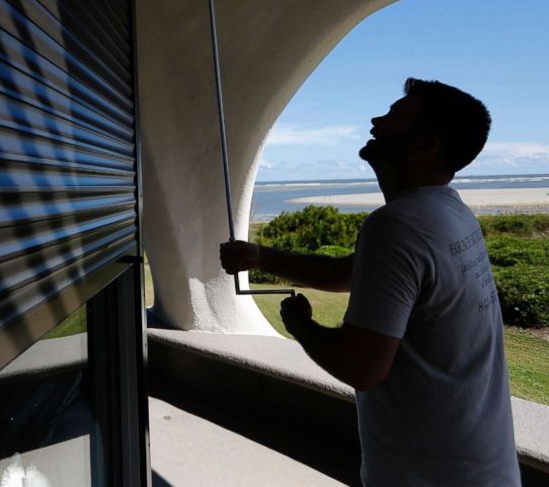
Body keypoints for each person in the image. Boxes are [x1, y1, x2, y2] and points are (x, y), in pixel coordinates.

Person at [220, 78, 520, 486]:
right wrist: (263, 257)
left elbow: (361, 367)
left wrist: (300, 325)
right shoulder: (448, 212)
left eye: (394, 117)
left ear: (424, 146)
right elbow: (349, 273)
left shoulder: (397, 225)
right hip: (479, 465)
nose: (376, 121)